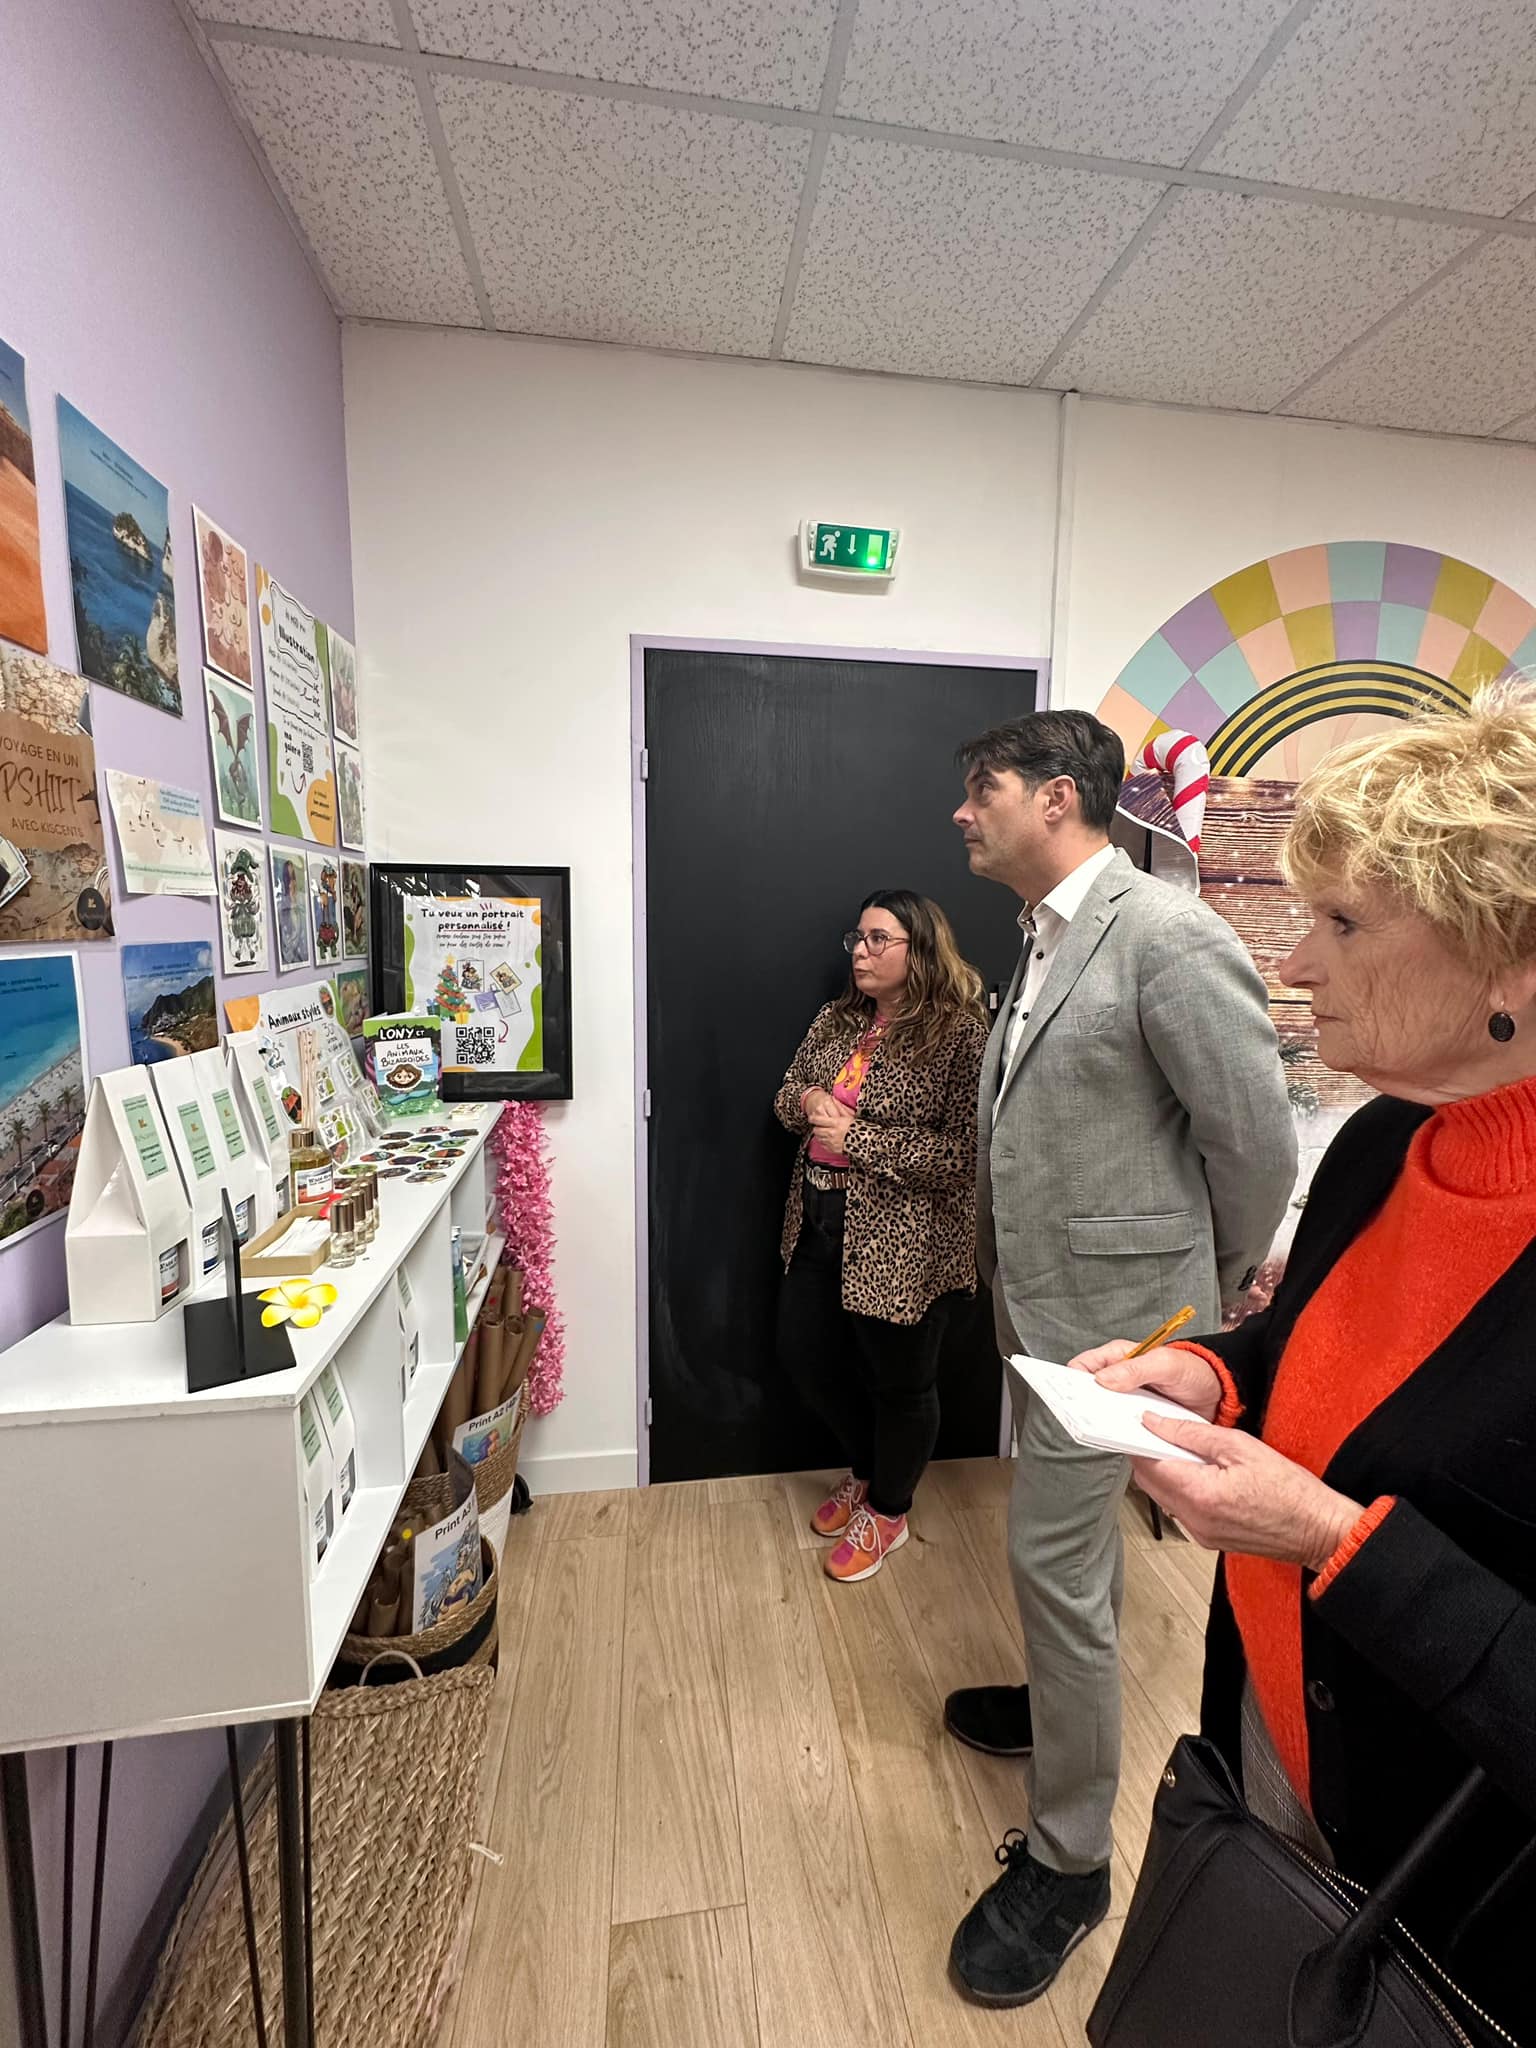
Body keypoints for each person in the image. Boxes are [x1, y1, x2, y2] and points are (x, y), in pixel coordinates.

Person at [1072, 691, 1536, 2039]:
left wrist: (1330, 1538)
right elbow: (1319, 1346)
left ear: (1509, 961)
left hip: (1448, 1889)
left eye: (1342, 922)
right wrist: (1216, 1376)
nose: (1294, 961)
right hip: (1272, 1738)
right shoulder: (1386, 1143)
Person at [944, 709, 1297, 2006]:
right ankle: (1060, 1706)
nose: (962, 812)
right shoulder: (1040, 936)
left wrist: (1204, 1307)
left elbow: (1254, 1144)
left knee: (1052, 1558)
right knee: (1068, 1562)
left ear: (1056, 796)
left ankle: (1072, 1857)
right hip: (1046, 1311)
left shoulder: (1165, 933)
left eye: (980, 787)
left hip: (1132, 1331)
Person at [774, 890, 988, 1584]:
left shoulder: (958, 1034)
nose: (860, 953)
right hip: (817, 1217)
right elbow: (787, 1095)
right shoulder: (837, 1018)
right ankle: (867, 1472)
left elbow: (966, 1155)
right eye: (857, 940)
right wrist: (810, 1098)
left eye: (877, 940)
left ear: (919, 949)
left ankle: (889, 1510)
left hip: (904, 1238)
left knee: (901, 1382)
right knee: (806, 1355)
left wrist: (858, 1139)